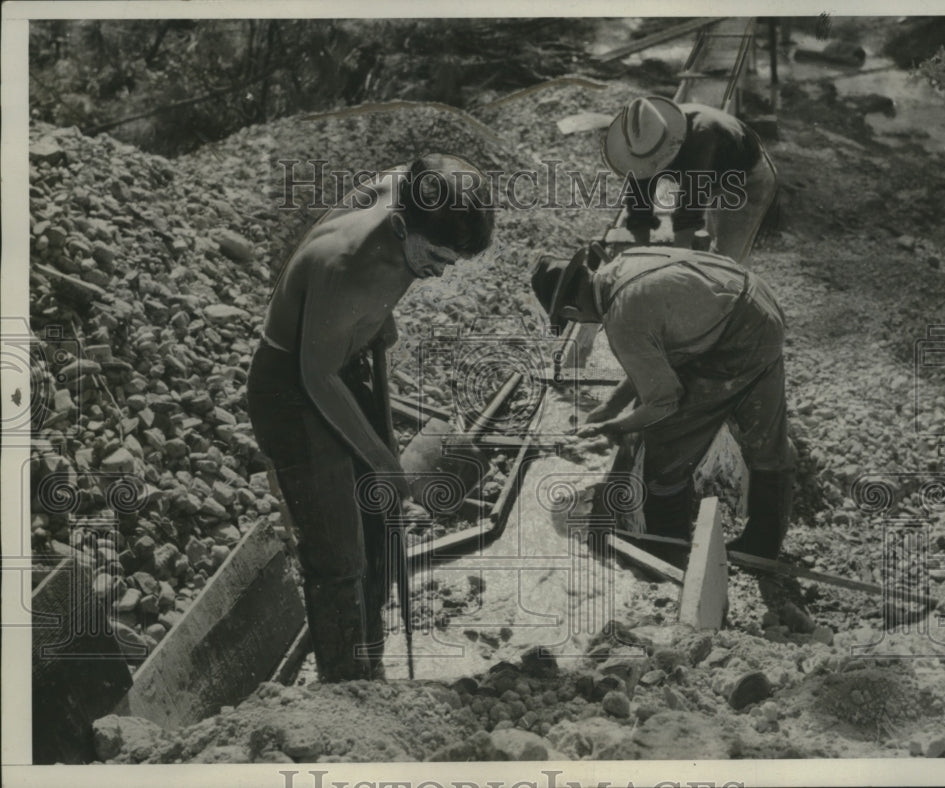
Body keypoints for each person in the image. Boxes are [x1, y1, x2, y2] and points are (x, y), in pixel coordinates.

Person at [247, 154, 494, 681]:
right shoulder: (348, 265)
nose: (440, 270)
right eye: (434, 257)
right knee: (339, 554)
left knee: (381, 522)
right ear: (402, 226)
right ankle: (346, 685)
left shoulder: (407, 190)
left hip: (337, 354)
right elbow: (316, 378)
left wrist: (375, 318)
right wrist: (383, 460)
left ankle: (372, 654)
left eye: (452, 261)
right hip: (292, 387)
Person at [531, 245, 794, 561]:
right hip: (759, 304)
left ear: (572, 313)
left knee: (666, 443)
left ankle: (666, 551)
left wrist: (616, 427)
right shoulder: (626, 263)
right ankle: (763, 547)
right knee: (765, 435)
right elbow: (660, 354)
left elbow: (664, 401)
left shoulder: (621, 316)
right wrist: (611, 406)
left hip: (736, 336)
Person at [602, 95, 777, 264]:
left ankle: (738, 288)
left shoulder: (701, 137)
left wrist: (678, 262)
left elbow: (689, 209)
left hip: (746, 179)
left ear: (669, 144)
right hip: (715, 175)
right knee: (709, 242)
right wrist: (642, 252)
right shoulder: (642, 138)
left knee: (726, 260)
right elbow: (638, 201)